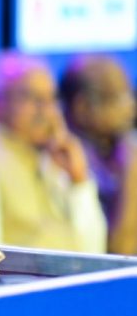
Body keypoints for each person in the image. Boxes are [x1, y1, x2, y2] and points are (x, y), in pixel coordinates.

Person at [0, 52, 105, 253]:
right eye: (33, 99)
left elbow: (93, 249)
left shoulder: (52, 154)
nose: (48, 112)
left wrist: (79, 182)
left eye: (51, 99)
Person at [60, 54, 137, 254]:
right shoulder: (64, 158)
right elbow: (120, 251)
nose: (131, 107)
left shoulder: (118, 144)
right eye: (119, 97)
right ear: (82, 107)